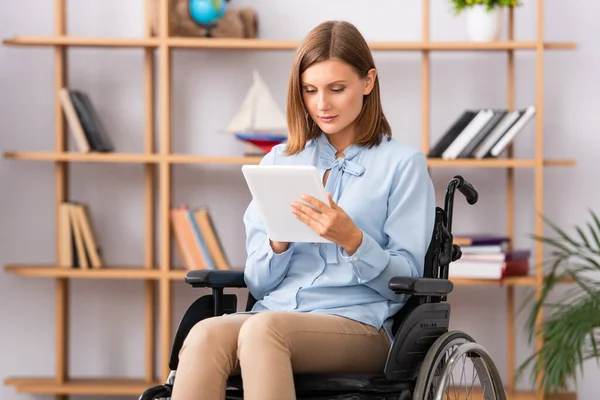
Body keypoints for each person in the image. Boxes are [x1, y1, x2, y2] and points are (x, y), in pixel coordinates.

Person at [171, 20, 436, 400]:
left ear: (368, 82)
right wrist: (277, 243)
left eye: (336, 89)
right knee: (205, 334)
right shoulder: (279, 161)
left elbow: (406, 281)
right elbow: (259, 284)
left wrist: (353, 241)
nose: (321, 104)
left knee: (263, 332)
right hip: (273, 314)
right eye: (310, 90)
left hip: (361, 325)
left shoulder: (403, 164)